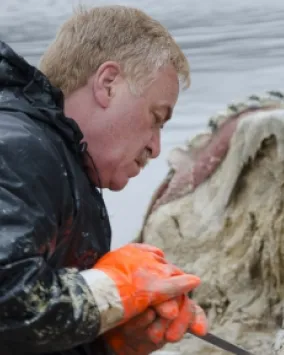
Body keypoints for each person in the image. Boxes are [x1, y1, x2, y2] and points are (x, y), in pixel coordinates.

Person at [0, 5, 208, 355]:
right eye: (156, 118)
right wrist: (115, 288)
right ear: (108, 84)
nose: (155, 147)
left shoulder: (63, 165)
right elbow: (7, 296)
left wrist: (109, 342)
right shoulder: (17, 148)